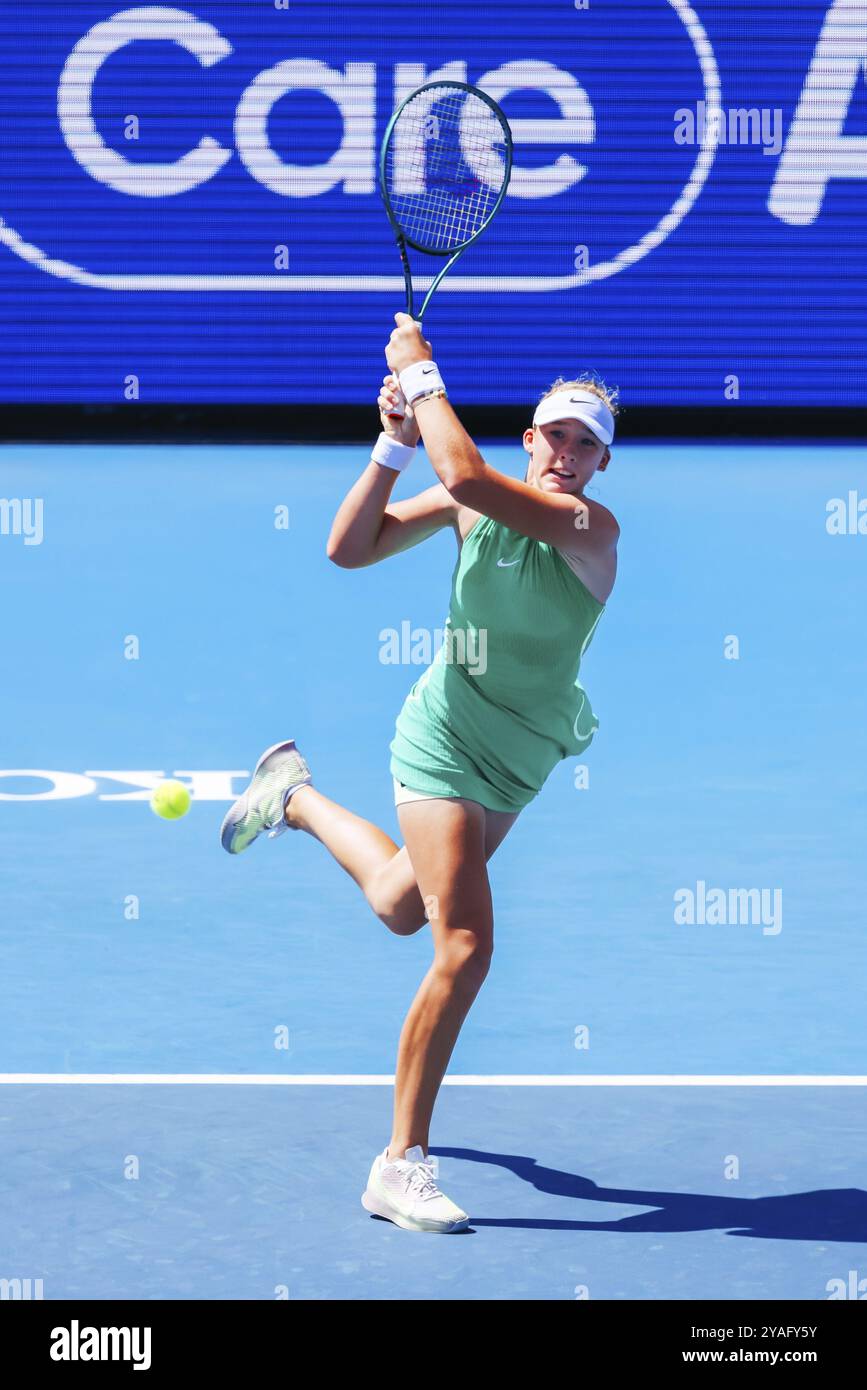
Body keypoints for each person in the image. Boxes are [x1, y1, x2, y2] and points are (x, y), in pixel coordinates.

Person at [220, 313, 620, 1234]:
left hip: (521, 751)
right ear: (532, 439)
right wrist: (391, 442)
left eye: (585, 444)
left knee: (403, 904)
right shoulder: (471, 502)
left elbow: (467, 472)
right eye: (555, 434)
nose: (566, 453)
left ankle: (293, 793)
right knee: (464, 946)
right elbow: (349, 548)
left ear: (600, 466)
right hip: (443, 734)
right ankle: (399, 1164)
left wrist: (421, 371)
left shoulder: (585, 528)